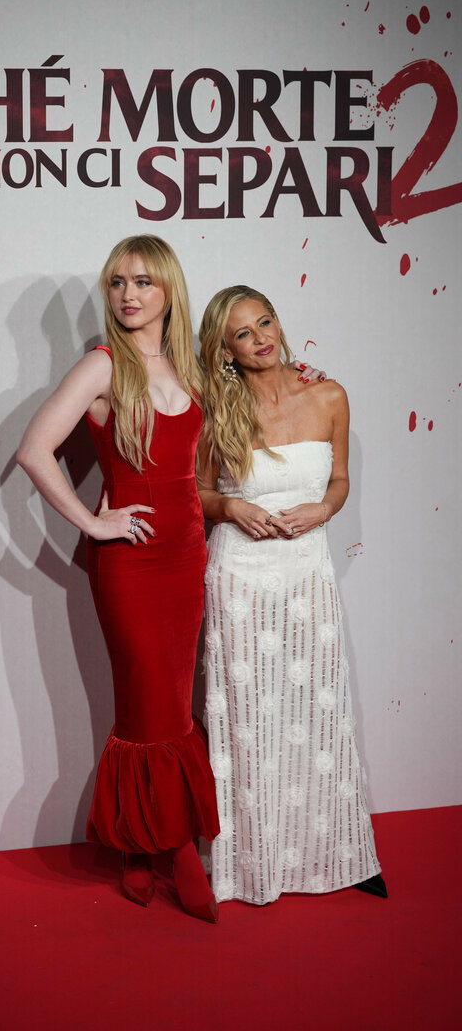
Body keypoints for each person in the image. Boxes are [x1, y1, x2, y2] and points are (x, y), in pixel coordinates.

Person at [17, 235, 221, 922]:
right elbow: (34, 450)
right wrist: (93, 522)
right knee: (148, 700)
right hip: (130, 564)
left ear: (169, 290)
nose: (128, 295)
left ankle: (138, 843)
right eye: (116, 283)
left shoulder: (193, 367)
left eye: (142, 281)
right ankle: (177, 847)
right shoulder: (103, 364)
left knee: (166, 701)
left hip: (187, 557)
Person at [197, 284, 386, 905]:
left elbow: (340, 479)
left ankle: (338, 853)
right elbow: (195, 492)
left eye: (265, 322)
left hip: (308, 571)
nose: (261, 339)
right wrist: (230, 506)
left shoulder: (329, 395)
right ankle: (250, 864)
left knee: (318, 709)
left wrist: (323, 511)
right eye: (243, 334)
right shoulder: (214, 411)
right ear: (226, 350)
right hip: (239, 575)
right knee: (249, 717)